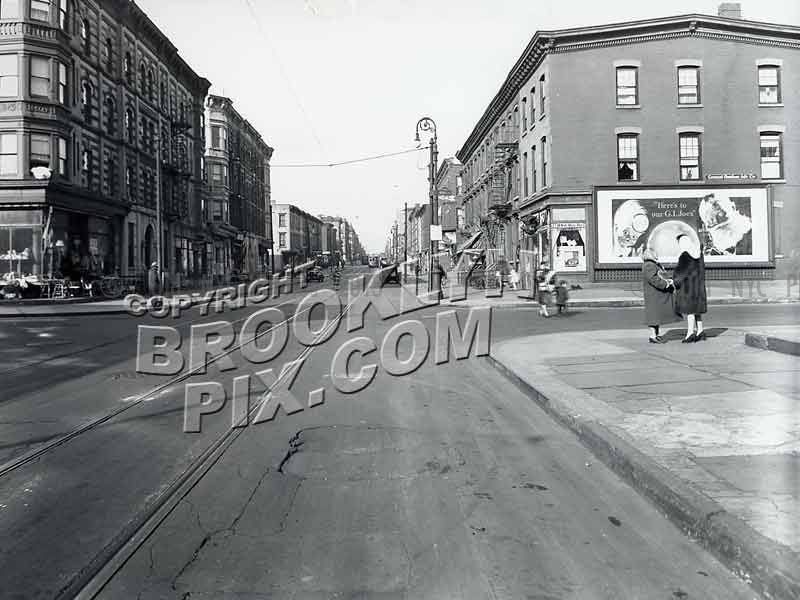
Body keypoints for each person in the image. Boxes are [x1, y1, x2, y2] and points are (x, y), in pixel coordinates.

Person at [673, 233, 708, 342]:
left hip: (688, 288)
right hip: (698, 286)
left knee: (690, 311)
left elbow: (680, 274)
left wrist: (674, 281)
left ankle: (690, 333)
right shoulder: (699, 254)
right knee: (697, 310)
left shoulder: (685, 255)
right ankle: (700, 331)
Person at [642, 247, 677, 343]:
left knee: (656, 316)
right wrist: (665, 284)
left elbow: (661, 275)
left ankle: (656, 335)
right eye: (655, 254)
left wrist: (668, 280)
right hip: (654, 294)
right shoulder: (649, 265)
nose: (656, 255)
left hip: (655, 294)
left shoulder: (652, 264)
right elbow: (653, 279)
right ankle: (653, 336)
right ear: (650, 255)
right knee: (653, 316)